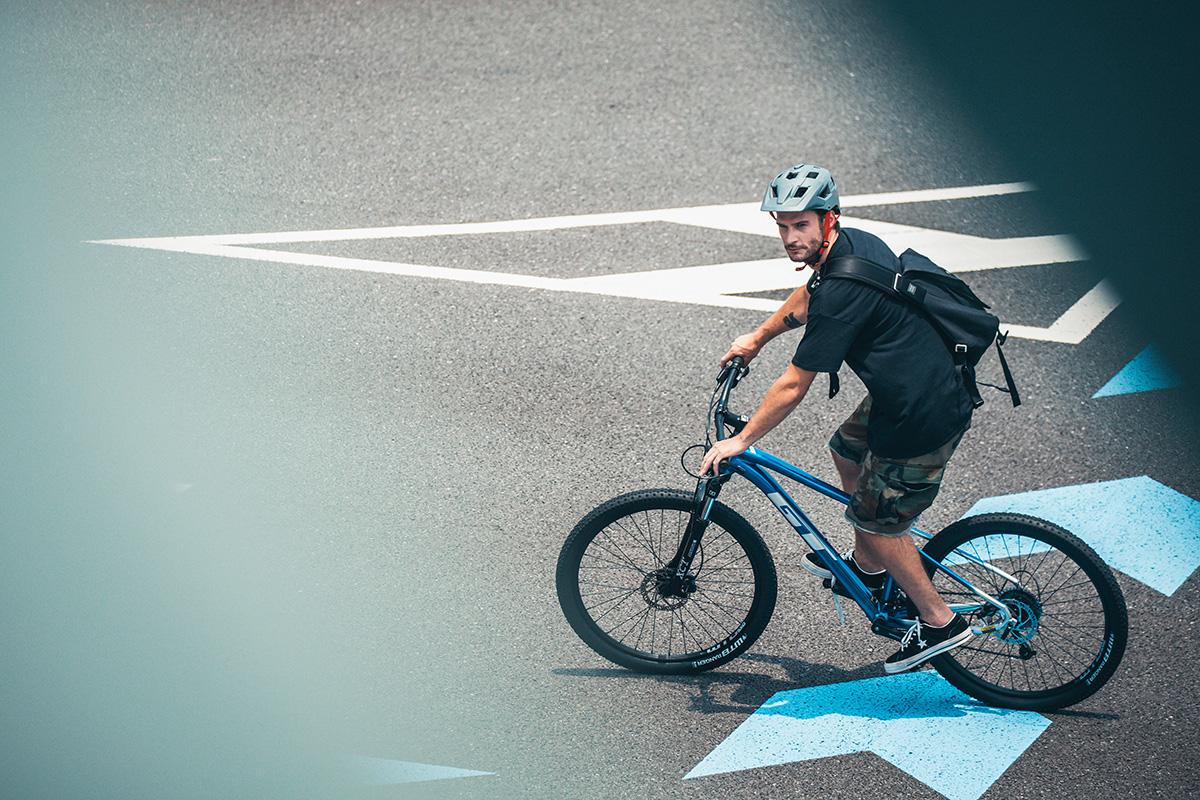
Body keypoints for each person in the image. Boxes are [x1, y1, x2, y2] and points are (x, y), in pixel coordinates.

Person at [698, 163, 975, 673]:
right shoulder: (850, 246)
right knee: (846, 450)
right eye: (783, 226)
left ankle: (940, 622)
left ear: (829, 219)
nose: (790, 238)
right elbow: (810, 294)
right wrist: (758, 337)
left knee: (880, 522)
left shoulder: (843, 292)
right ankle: (869, 568)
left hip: (922, 416)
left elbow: (794, 383)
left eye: (801, 225)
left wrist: (742, 440)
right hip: (910, 393)